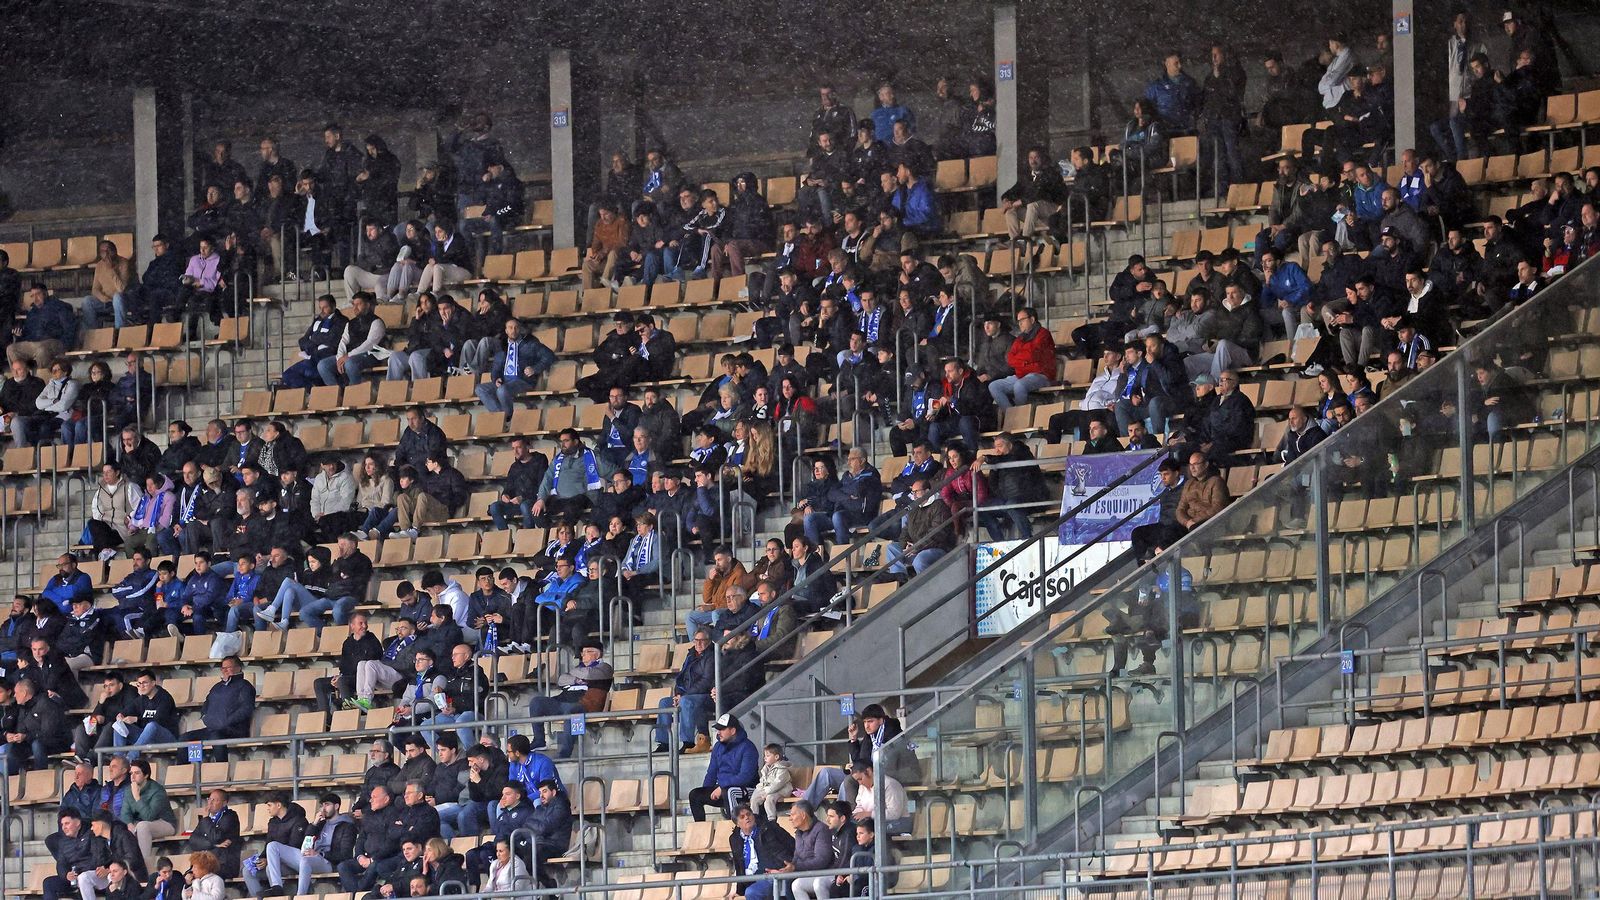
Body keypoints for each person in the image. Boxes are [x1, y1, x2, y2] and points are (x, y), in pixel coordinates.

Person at [526, 642, 613, 758]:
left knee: (572, 711)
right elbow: (561, 679)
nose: (583, 655)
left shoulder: (605, 667)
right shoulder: (579, 668)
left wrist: (572, 675)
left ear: (597, 655)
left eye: (587, 652)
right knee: (537, 702)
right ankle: (539, 740)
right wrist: (576, 679)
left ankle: (565, 753)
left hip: (585, 704)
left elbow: (589, 674)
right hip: (563, 701)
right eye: (582, 652)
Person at [258, 793, 353, 897]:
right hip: (309, 855)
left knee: (305, 860)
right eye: (322, 805)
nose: (323, 809)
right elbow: (306, 838)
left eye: (327, 805)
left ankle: (300, 896)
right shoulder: (320, 824)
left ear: (336, 806)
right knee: (272, 846)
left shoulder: (347, 827)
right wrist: (315, 823)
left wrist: (320, 854)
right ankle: (277, 888)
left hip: (327, 862)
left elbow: (345, 854)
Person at [652, 627, 714, 754]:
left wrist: (684, 695)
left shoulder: (711, 656)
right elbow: (681, 677)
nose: (698, 643)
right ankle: (664, 743)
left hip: (706, 696)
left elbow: (706, 682)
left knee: (686, 702)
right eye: (696, 640)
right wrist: (678, 694)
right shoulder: (690, 654)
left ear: (708, 641)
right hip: (686, 694)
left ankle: (687, 742)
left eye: (702, 640)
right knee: (664, 703)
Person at [690, 713, 759, 822]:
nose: (718, 732)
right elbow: (711, 773)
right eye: (718, 729)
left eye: (722, 729)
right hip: (723, 788)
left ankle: (735, 826)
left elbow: (745, 777)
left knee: (729, 792)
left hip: (747, 789)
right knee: (695, 795)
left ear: (733, 731)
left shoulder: (748, 747)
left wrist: (722, 787)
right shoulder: (718, 747)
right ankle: (700, 828)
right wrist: (707, 791)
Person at [988, 306, 1056, 411]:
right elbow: (1010, 358)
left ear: (1032, 319)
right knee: (994, 386)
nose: (1020, 324)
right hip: (1021, 375)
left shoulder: (1043, 334)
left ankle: (1020, 415)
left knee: (1019, 385)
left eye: (1022, 320)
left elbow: (1032, 354)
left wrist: (1020, 360)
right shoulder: (1020, 338)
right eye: (1018, 321)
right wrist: (1024, 362)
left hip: (1041, 375)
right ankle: (1011, 414)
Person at [726, 804, 795, 900]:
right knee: (749, 892)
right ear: (737, 823)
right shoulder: (735, 839)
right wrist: (739, 891)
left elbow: (793, 845)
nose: (747, 817)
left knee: (751, 892)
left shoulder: (769, 828)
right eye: (742, 817)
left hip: (774, 873)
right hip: (750, 879)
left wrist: (791, 864)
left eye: (748, 814)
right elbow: (739, 865)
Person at [118, 759, 175, 875]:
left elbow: (149, 816)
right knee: (120, 828)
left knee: (143, 826)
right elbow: (124, 813)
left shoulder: (157, 790)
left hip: (164, 823)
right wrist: (129, 824)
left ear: (146, 775)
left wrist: (137, 797)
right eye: (131, 773)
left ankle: (142, 866)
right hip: (139, 824)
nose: (132, 777)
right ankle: (122, 867)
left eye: (137, 773)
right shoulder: (129, 790)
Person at [44, 810, 108, 900]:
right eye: (62, 824)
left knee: (83, 878)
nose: (64, 827)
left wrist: (80, 871)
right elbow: (61, 864)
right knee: (49, 883)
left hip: (93, 875)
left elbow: (98, 858)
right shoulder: (63, 841)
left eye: (67, 823)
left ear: (78, 823)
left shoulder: (92, 833)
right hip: (75, 878)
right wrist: (66, 875)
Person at [187, 789, 242, 878]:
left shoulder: (230, 816)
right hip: (205, 864)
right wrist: (214, 845)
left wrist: (206, 819)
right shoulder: (206, 819)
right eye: (209, 799)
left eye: (215, 800)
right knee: (186, 877)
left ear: (224, 803)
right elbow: (193, 841)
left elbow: (216, 837)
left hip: (224, 864)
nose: (210, 803)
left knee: (200, 875)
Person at [749, 744, 795, 823]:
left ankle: (772, 820)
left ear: (776, 757)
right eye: (765, 756)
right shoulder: (766, 768)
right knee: (754, 799)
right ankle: (755, 819)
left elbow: (778, 784)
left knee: (769, 798)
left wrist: (766, 792)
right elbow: (762, 781)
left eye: (768, 756)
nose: (765, 758)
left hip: (782, 790)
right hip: (769, 790)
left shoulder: (782, 769)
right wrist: (760, 789)